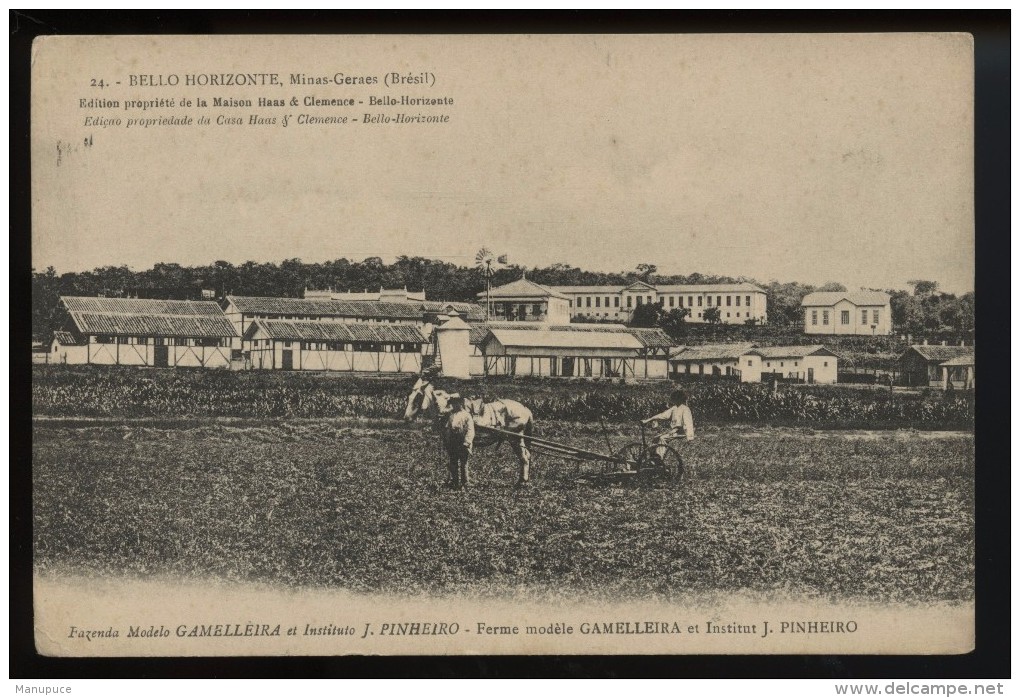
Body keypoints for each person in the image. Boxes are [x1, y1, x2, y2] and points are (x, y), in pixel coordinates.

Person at [642, 390, 695, 459]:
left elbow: (687, 423)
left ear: (679, 399)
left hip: (681, 432)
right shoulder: (674, 408)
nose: (673, 401)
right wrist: (648, 420)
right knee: (655, 438)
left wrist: (689, 437)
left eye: (675, 399)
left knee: (662, 438)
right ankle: (652, 457)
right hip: (674, 431)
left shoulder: (685, 409)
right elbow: (663, 415)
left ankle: (659, 458)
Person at [443, 396, 475, 490]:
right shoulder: (452, 415)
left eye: (457, 403)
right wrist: (447, 440)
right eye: (453, 404)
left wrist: (467, 442)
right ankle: (455, 481)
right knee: (453, 462)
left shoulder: (466, 415)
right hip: (453, 441)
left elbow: (470, 430)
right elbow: (448, 428)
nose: (455, 405)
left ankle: (465, 482)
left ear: (461, 404)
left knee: (463, 463)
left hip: (462, 441)